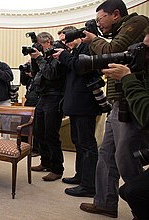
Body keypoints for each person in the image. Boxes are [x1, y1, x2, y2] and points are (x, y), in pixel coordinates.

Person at [79, 0, 149, 218]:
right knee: (106, 154)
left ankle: (142, 205)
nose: (99, 24)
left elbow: (112, 50)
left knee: (125, 157)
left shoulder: (137, 22)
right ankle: (105, 203)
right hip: (119, 102)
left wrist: (93, 39)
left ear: (115, 14)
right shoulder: (118, 32)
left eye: (101, 19)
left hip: (131, 100)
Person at [53, 26, 101, 197]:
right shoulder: (73, 52)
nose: (64, 43)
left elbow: (82, 67)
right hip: (76, 104)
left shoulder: (88, 46)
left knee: (87, 144)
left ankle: (89, 186)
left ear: (76, 36)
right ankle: (81, 176)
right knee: (78, 142)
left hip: (85, 104)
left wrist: (65, 55)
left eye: (66, 39)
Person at [30, 32, 67, 181]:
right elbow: (35, 74)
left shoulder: (57, 53)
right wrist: (35, 59)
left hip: (55, 96)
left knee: (51, 134)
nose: (39, 47)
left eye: (40, 44)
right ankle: (45, 162)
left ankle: (57, 168)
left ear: (49, 42)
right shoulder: (44, 57)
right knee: (39, 132)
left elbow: (51, 74)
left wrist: (39, 58)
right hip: (43, 97)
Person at [20, 59, 40, 156]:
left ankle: (36, 149)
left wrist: (34, 74)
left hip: (37, 100)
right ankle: (24, 146)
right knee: (25, 123)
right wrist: (24, 73)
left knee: (36, 126)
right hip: (29, 100)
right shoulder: (30, 76)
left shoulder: (39, 71)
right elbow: (23, 82)